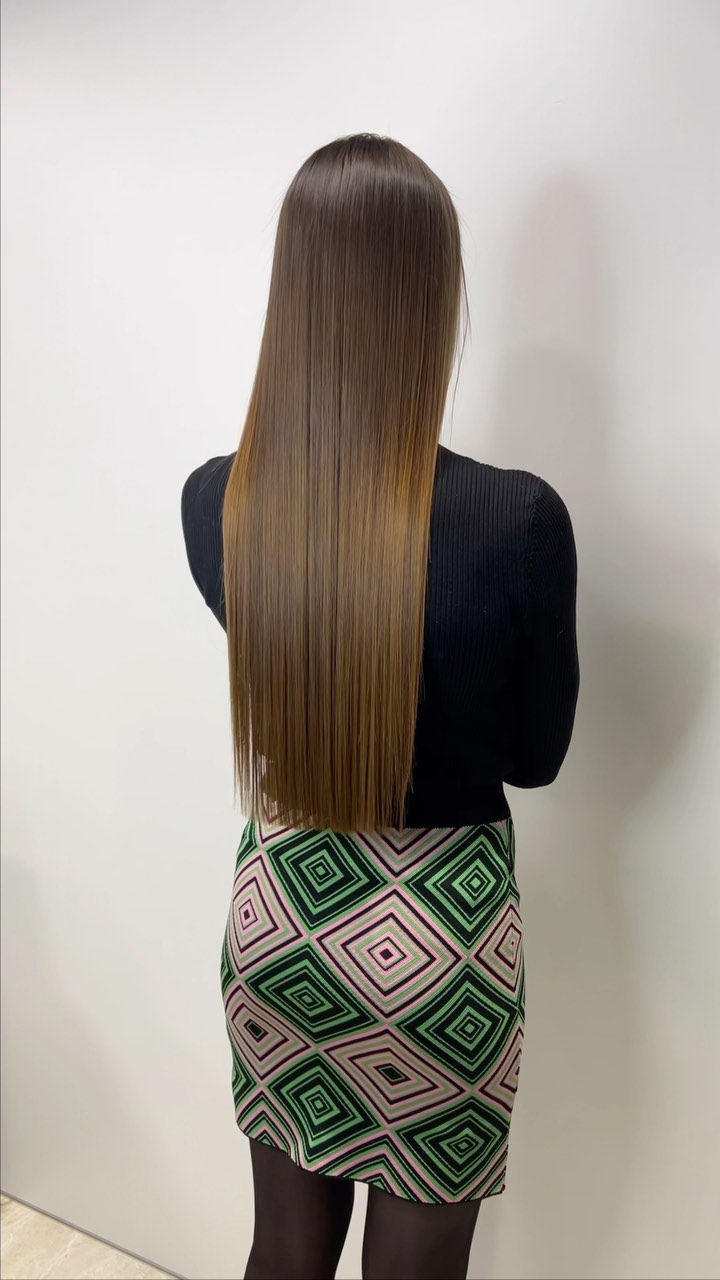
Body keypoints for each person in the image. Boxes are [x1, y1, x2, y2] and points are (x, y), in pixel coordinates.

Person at [181, 133, 579, 1280]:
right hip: (438, 943)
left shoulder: (217, 499)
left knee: (283, 1249)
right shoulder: (516, 520)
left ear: (294, 294)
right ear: (431, 299)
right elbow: (534, 756)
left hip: (282, 917)